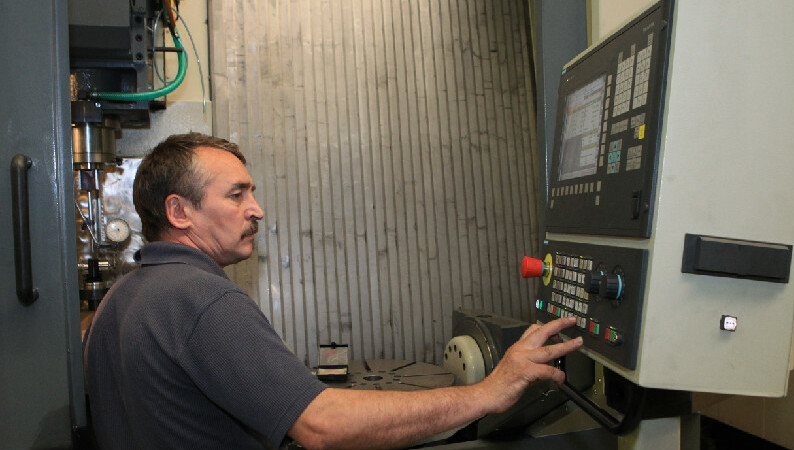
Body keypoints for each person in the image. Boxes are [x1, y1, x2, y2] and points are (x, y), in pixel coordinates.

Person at [83, 132, 583, 450]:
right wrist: (487, 393)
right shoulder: (202, 298)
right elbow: (321, 425)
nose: (257, 209)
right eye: (237, 194)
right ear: (179, 212)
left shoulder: (117, 301)